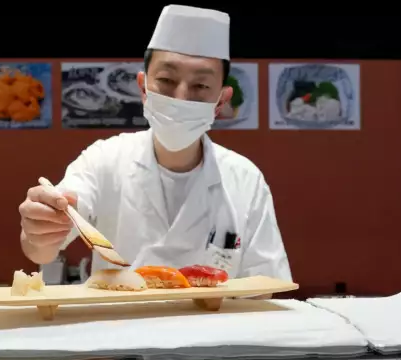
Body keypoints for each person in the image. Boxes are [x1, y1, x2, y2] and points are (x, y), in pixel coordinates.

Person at [18, 4, 291, 283]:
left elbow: (265, 283)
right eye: (166, 80)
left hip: (213, 324)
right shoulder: (103, 160)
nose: (181, 98)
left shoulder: (245, 180)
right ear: (143, 88)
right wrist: (40, 230)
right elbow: (42, 248)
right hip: (118, 323)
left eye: (200, 86)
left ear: (221, 101)